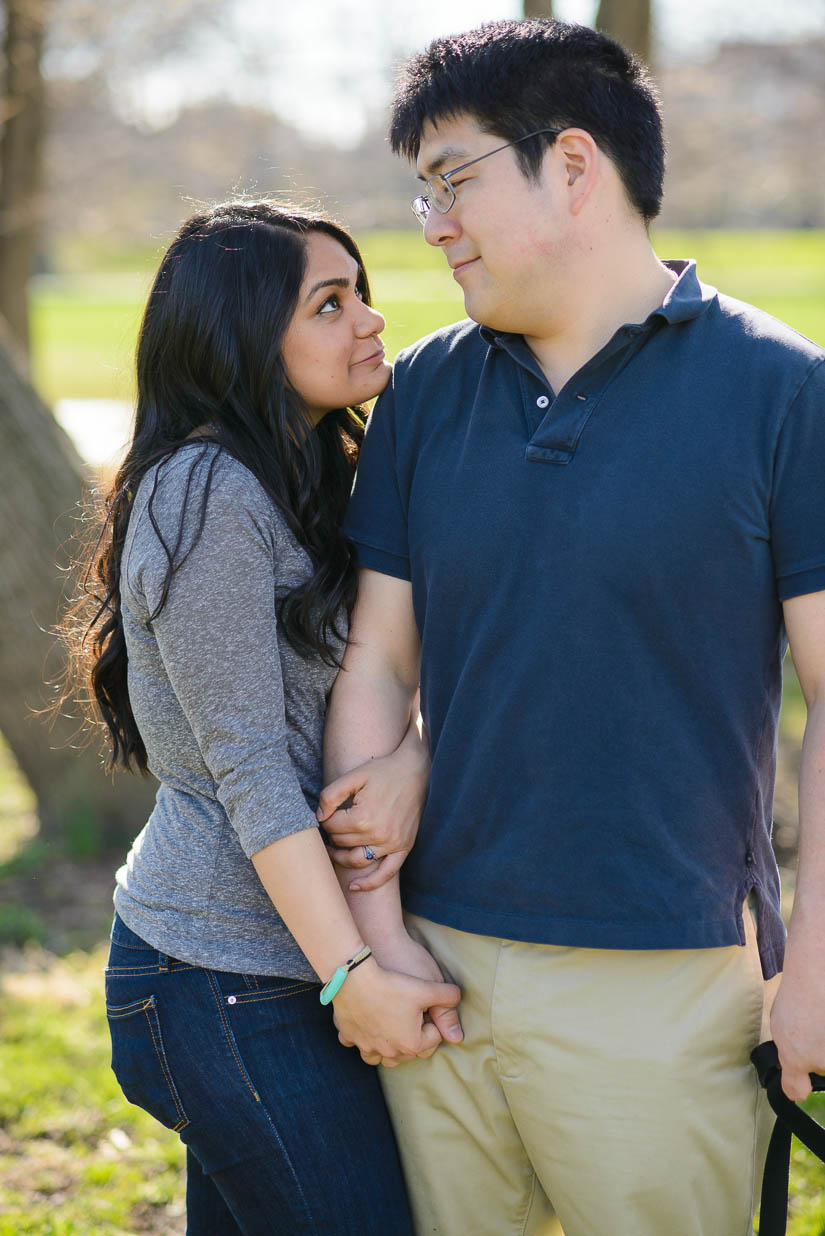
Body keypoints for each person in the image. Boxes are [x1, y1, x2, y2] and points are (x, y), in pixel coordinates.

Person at [320, 19, 825, 1236]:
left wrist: (814, 972)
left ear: (576, 165)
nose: (431, 223)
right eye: (421, 191)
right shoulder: (426, 391)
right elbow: (378, 668)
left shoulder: (784, 392)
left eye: (453, 180)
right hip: (436, 979)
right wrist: (382, 950)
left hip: (669, 984)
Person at [61, 200, 461, 1236]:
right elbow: (250, 769)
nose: (370, 318)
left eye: (360, 291)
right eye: (329, 303)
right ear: (243, 338)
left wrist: (414, 752)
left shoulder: (305, 475)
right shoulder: (206, 490)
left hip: (263, 973)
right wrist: (352, 974)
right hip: (221, 978)